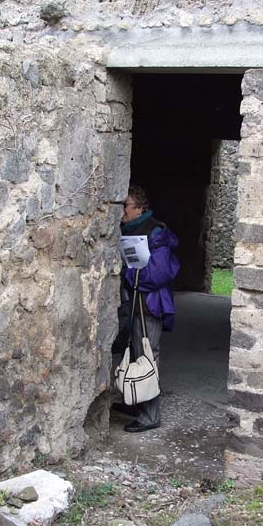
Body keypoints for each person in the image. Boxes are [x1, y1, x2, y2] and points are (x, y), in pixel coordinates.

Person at [116, 185, 180, 433]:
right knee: (133, 352)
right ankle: (135, 401)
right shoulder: (126, 230)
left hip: (149, 303)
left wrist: (129, 274)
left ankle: (150, 416)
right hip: (134, 301)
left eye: (126, 205)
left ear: (139, 208)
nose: (122, 210)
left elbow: (159, 274)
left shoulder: (156, 233)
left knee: (147, 356)